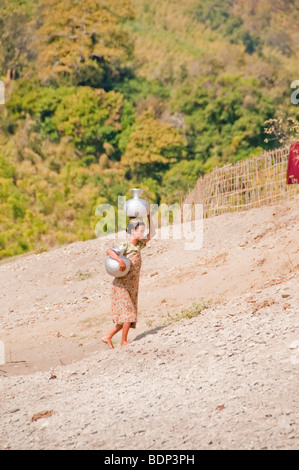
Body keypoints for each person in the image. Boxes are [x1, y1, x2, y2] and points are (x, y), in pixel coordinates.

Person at [102, 213, 155, 349]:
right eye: (140, 231)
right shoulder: (125, 245)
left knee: (125, 317)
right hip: (122, 286)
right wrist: (120, 260)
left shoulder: (138, 246)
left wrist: (149, 216)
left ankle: (107, 337)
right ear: (133, 231)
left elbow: (153, 233)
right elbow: (109, 251)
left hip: (132, 285)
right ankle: (123, 342)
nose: (143, 234)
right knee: (128, 314)